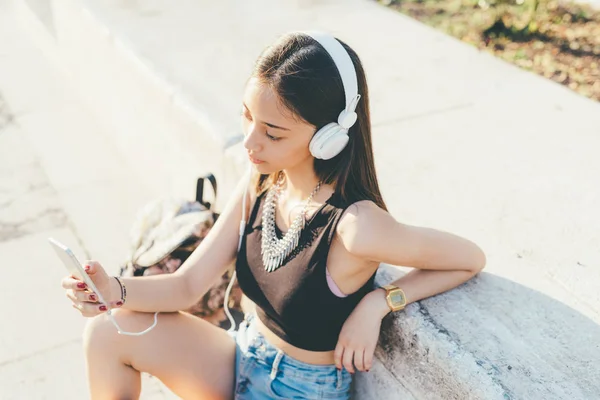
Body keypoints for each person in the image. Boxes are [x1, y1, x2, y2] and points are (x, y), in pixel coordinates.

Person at [61, 31, 486, 400]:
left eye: (272, 132)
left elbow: (469, 258)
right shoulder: (264, 178)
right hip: (241, 353)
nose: (250, 142)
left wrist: (381, 302)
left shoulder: (357, 227)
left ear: (329, 137)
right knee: (106, 331)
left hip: (301, 388)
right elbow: (187, 284)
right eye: (248, 117)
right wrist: (111, 289)